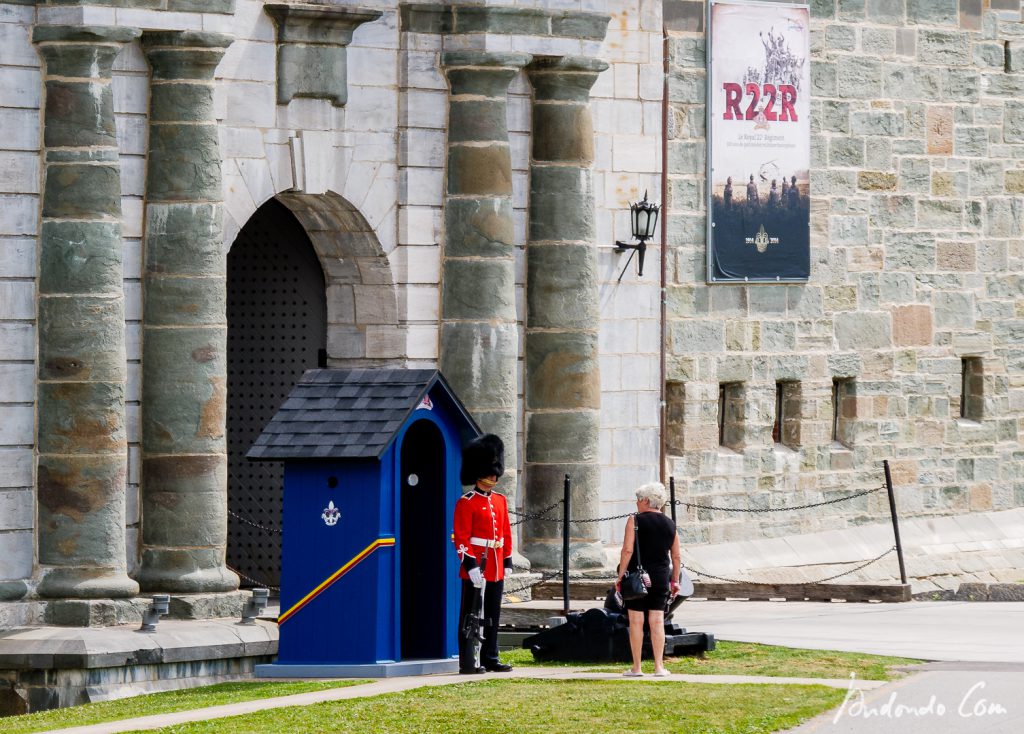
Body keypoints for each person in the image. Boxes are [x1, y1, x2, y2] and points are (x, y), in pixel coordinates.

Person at [453, 433, 514, 674]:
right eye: (489, 472)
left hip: (496, 564)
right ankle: (469, 659)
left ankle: (490, 656)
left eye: (494, 472)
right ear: (478, 473)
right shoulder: (466, 502)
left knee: (493, 613)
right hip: (477, 565)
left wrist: (507, 559)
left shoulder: (500, 500)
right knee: (471, 613)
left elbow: (506, 533)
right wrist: (470, 566)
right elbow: (461, 537)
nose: (493, 476)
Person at [615, 482, 681, 677]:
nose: (636, 503)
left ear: (645, 501)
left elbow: (627, 550)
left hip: (638, 576)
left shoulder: (634, 521)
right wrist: (675, 580)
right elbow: (676, 556)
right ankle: (659, 667)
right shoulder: (670, 523)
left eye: (638, 499)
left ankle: (637, 667)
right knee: (657, 620)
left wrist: (620, 576)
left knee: (636, 621)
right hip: (661, 577)